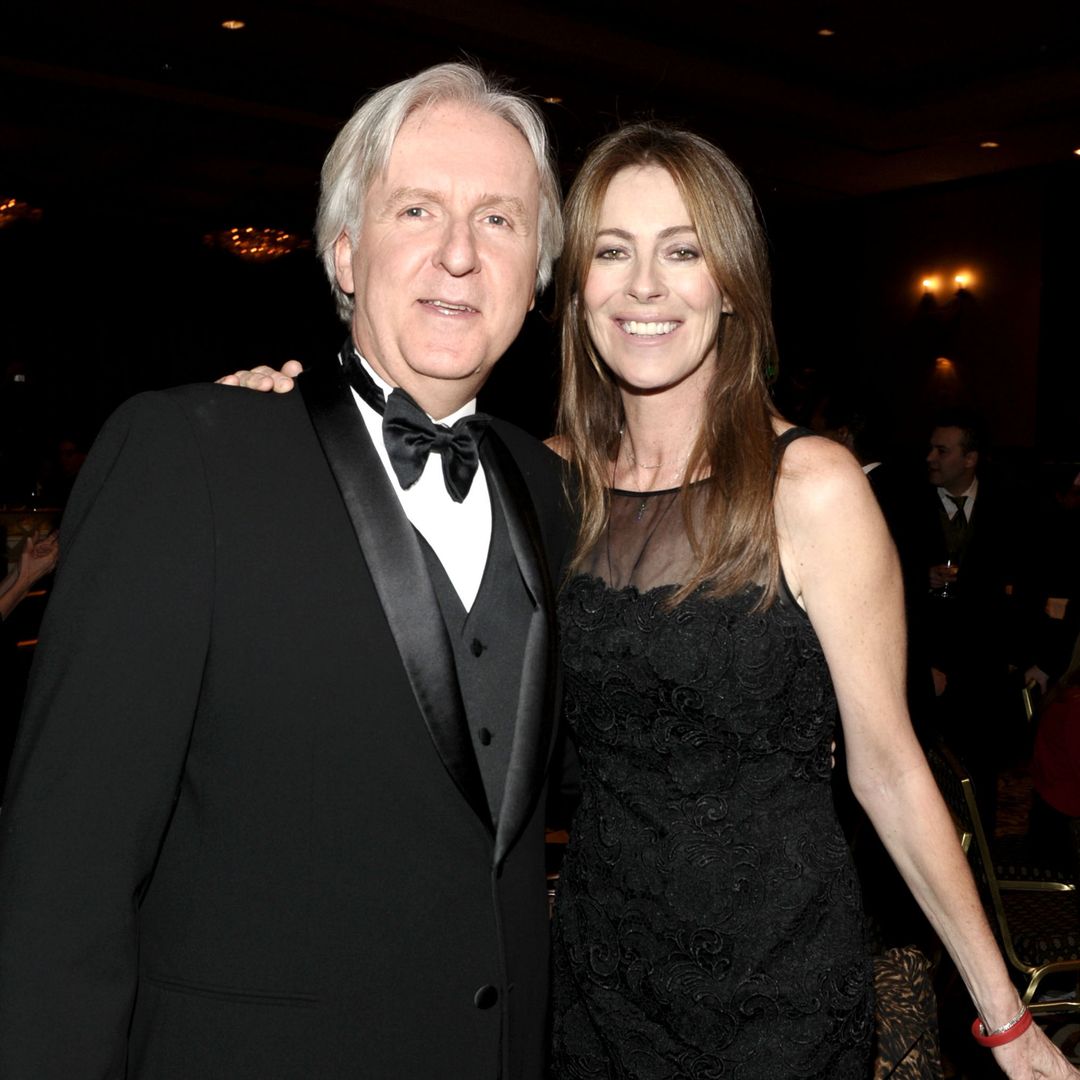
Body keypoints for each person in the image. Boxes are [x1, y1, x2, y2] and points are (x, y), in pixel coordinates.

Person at [232, 126, 1078, 1077]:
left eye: (682, 250)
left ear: (731, 283)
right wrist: (274, 421)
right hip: (597, 973)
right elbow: (381, 537)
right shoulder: (540, 484)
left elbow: (887, 769)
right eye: (612, 251)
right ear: (574, 287)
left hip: (782, 983)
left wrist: (1007, 1019)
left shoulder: (812, 486)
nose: (645, 286)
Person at [0, 63, 573, 1080]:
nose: (457, 254)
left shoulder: (552, 488)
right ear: (345, 252)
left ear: (535, 273)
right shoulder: (193, 456)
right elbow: (62, 878)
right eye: (417, 209)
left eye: (499, 221)